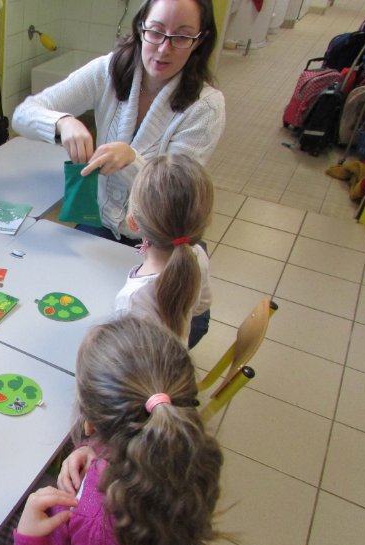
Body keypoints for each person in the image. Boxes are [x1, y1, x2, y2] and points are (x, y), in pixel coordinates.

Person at [0, 316, 224, 545]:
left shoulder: (99, 525)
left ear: (90, 422)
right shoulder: (182, 448)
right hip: (82, 536)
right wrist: (92, 449)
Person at [12, 0, 224, 245]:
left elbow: (175, 197)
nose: (164, 49)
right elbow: (23, 115)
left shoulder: (206, 107)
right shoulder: (108, 70)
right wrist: (63, 122)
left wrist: (132, 160)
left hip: (159, 238)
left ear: (199, 41)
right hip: (100, 223)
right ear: (140, 28)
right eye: (156, 32)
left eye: (181, 37)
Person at [113, 153, 213, 347]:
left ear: (132, 222)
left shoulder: (132, 300)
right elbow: (202, 305)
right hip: (175, 360)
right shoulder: (197, 255)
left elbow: (123, 357)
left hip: (144, 374)